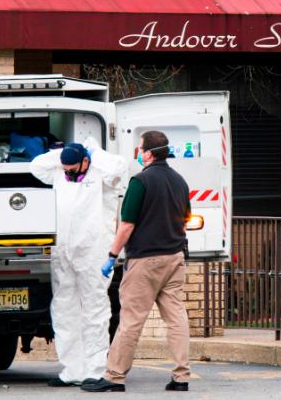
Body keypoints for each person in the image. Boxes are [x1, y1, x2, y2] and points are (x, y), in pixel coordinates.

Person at [83, 130, 192, 393]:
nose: (138, 153)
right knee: (177, 318)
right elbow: (186, 217)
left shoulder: (140, 181)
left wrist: (111, 256)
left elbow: (126, 225)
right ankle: (181, 377)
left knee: (131, 319)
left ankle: (114, 376)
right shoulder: (180, 182)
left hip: (145, 260)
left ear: (149, 153)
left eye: (140, 149)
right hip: (175, 258)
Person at [30, 137, 127, 387]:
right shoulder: (60, 175)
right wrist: (64, 153)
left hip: (92, 251)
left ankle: (94, 369)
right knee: (63, 309)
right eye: (67, 170)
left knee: (94, 310)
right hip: (63, 251)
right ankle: (71, 369)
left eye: (74, 169)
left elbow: (119, 166)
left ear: (86, 161)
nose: (70, 175)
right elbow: (36, 166)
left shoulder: (102, 175)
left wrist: (93, 152)